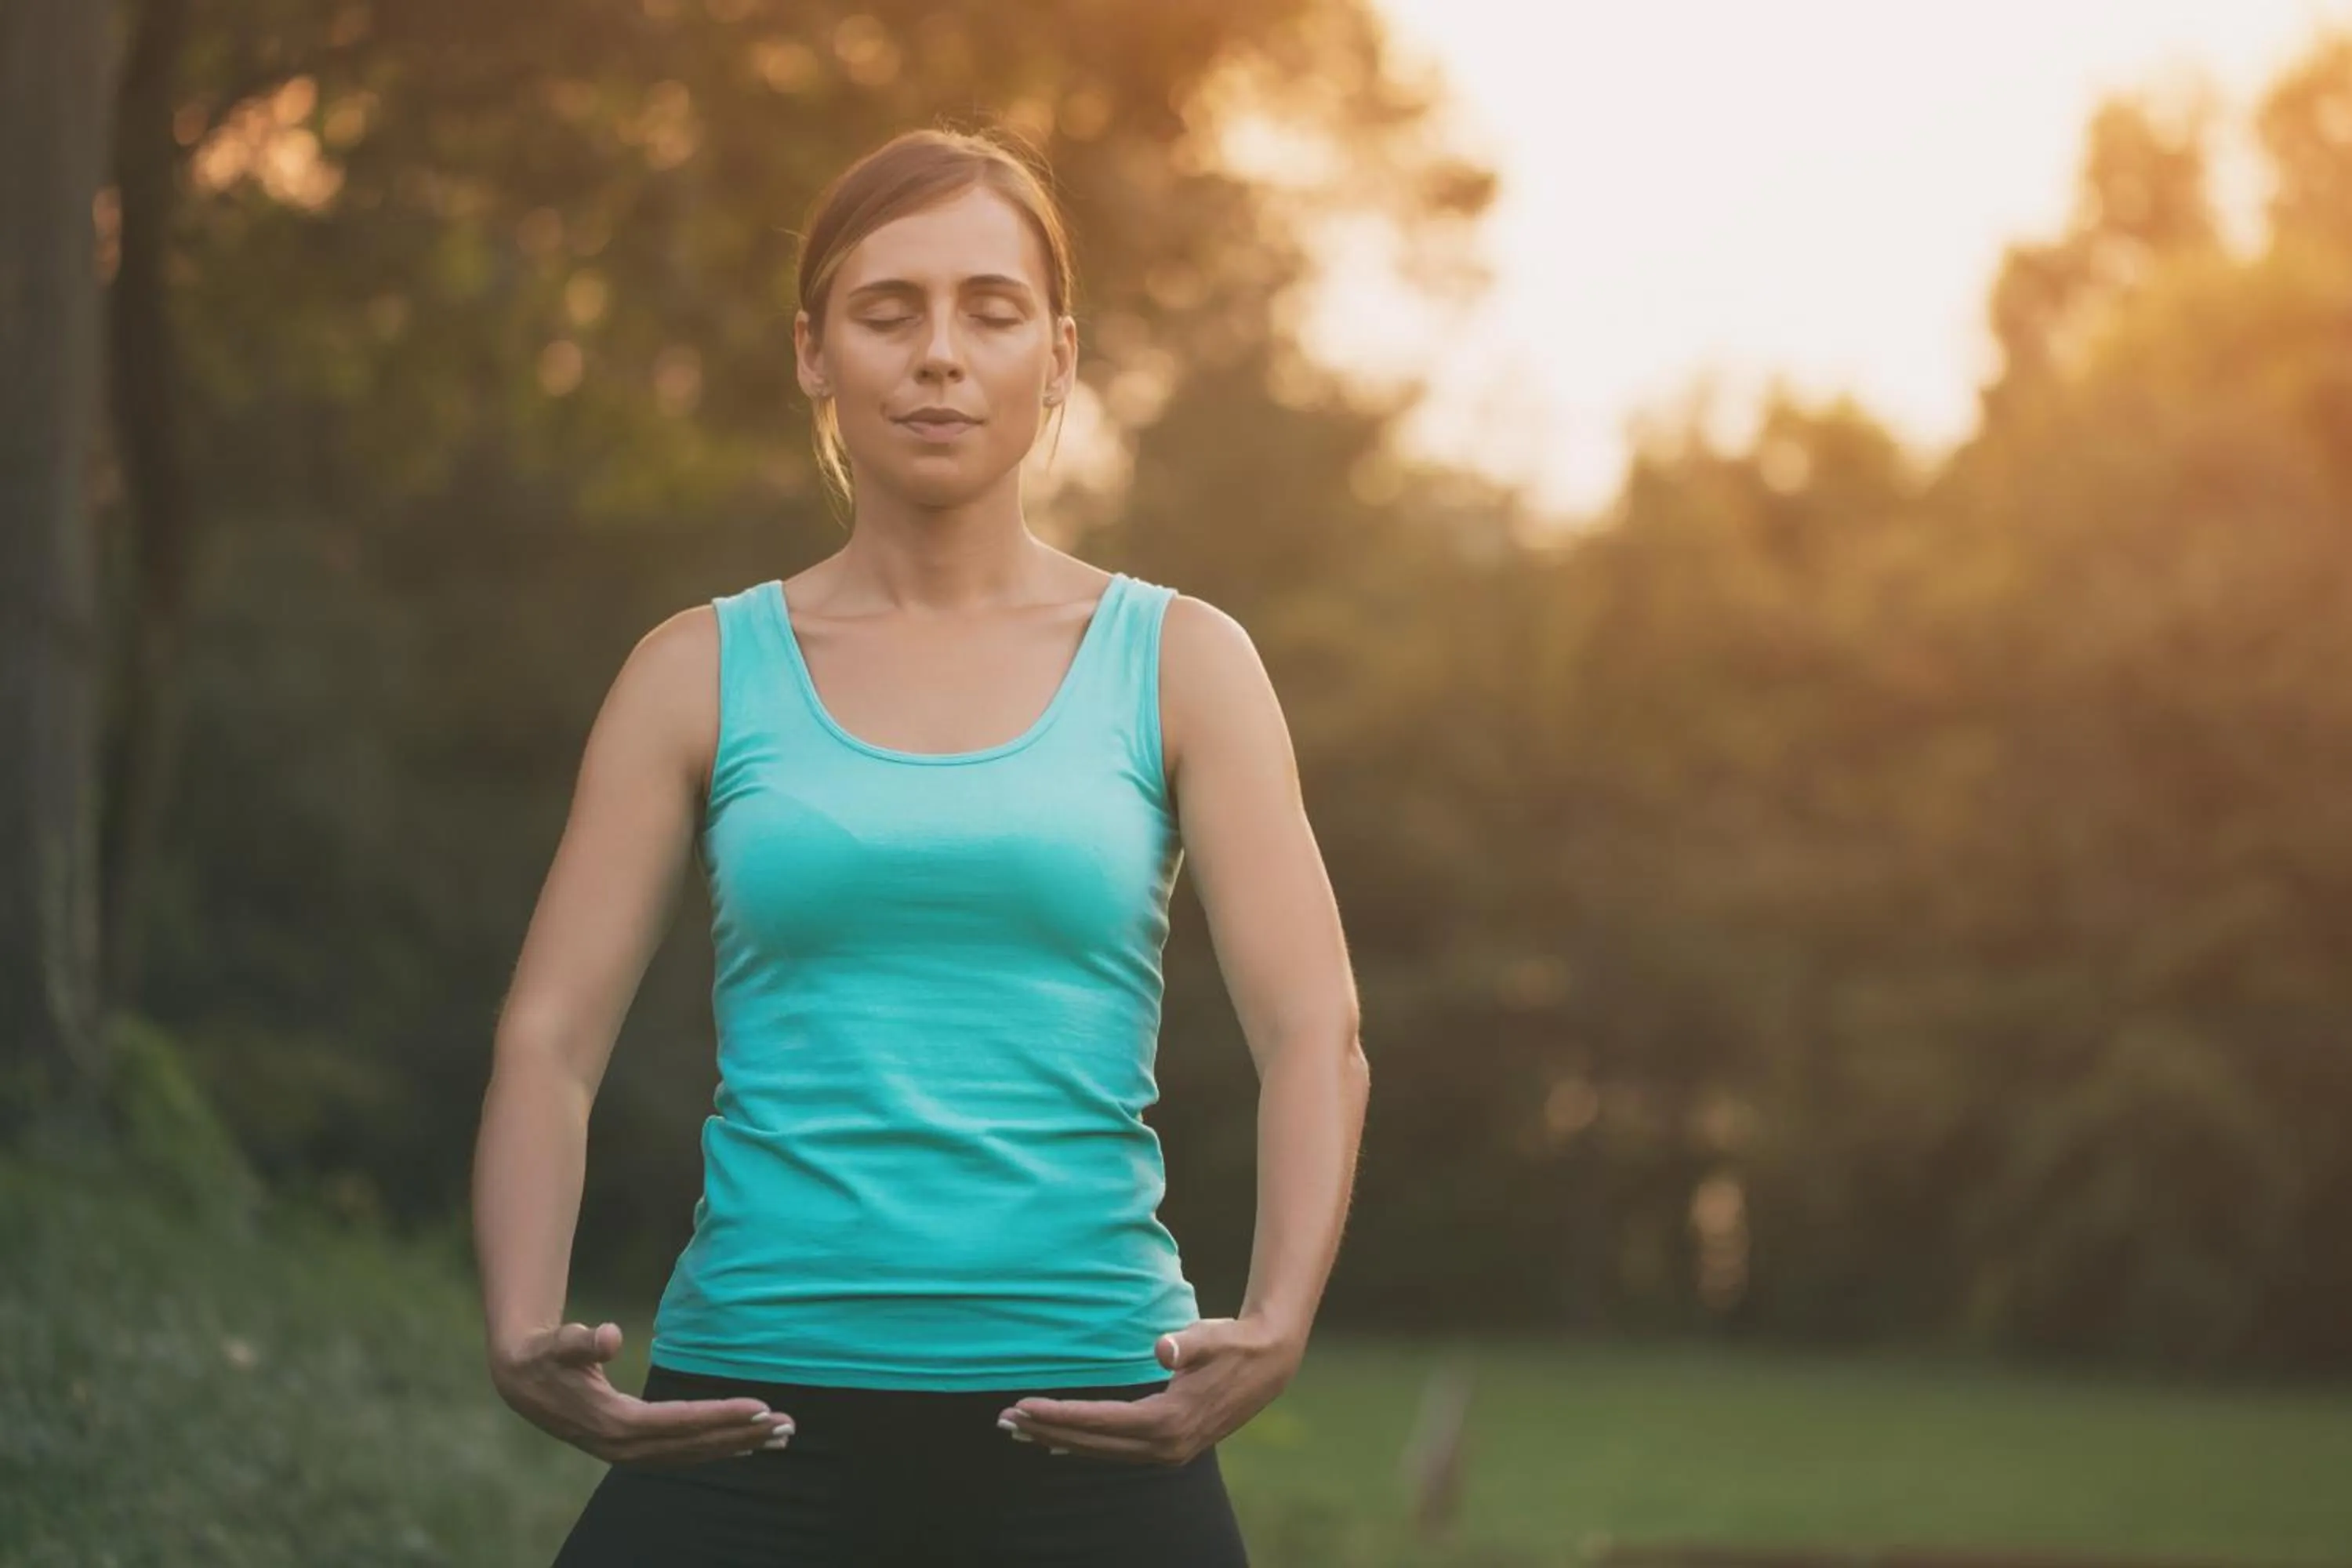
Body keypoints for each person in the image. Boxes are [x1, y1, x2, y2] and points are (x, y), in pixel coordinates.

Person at [470, 124, 1370, 1567]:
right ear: (816, 352)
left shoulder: (1183, 661)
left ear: (1059, 356)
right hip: (749, 1405)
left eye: (990, 311)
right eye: (887, 311)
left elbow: (1312, 1024)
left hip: (1092, 1408)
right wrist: (521, 1320)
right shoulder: (692, 671)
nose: (939, 353)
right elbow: (549, 1037)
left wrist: (1274, 1325)